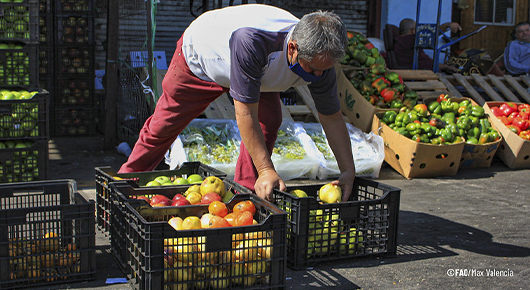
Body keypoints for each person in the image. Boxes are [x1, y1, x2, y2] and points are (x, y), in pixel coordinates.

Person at [118, 4, 356, 202]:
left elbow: (331, 116)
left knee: (270, 120)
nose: (317, 77)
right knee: (164, 125)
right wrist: (266, 169)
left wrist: (347, 170)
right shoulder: (254, 41)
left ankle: (246, 192)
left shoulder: (321, 62)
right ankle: (122, 187)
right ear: (292, 48)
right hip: (200, 61)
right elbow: (245, 114)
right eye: (312, 69)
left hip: (257, 72)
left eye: (322, 71)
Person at [393, 18, 461, 72]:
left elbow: (424, 61)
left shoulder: (401, 41)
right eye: (417, 29)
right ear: (412, 30)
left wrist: (446, 67)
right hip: (416, 74)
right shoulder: (410, 39)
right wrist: (447, 25)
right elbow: (432, 33)